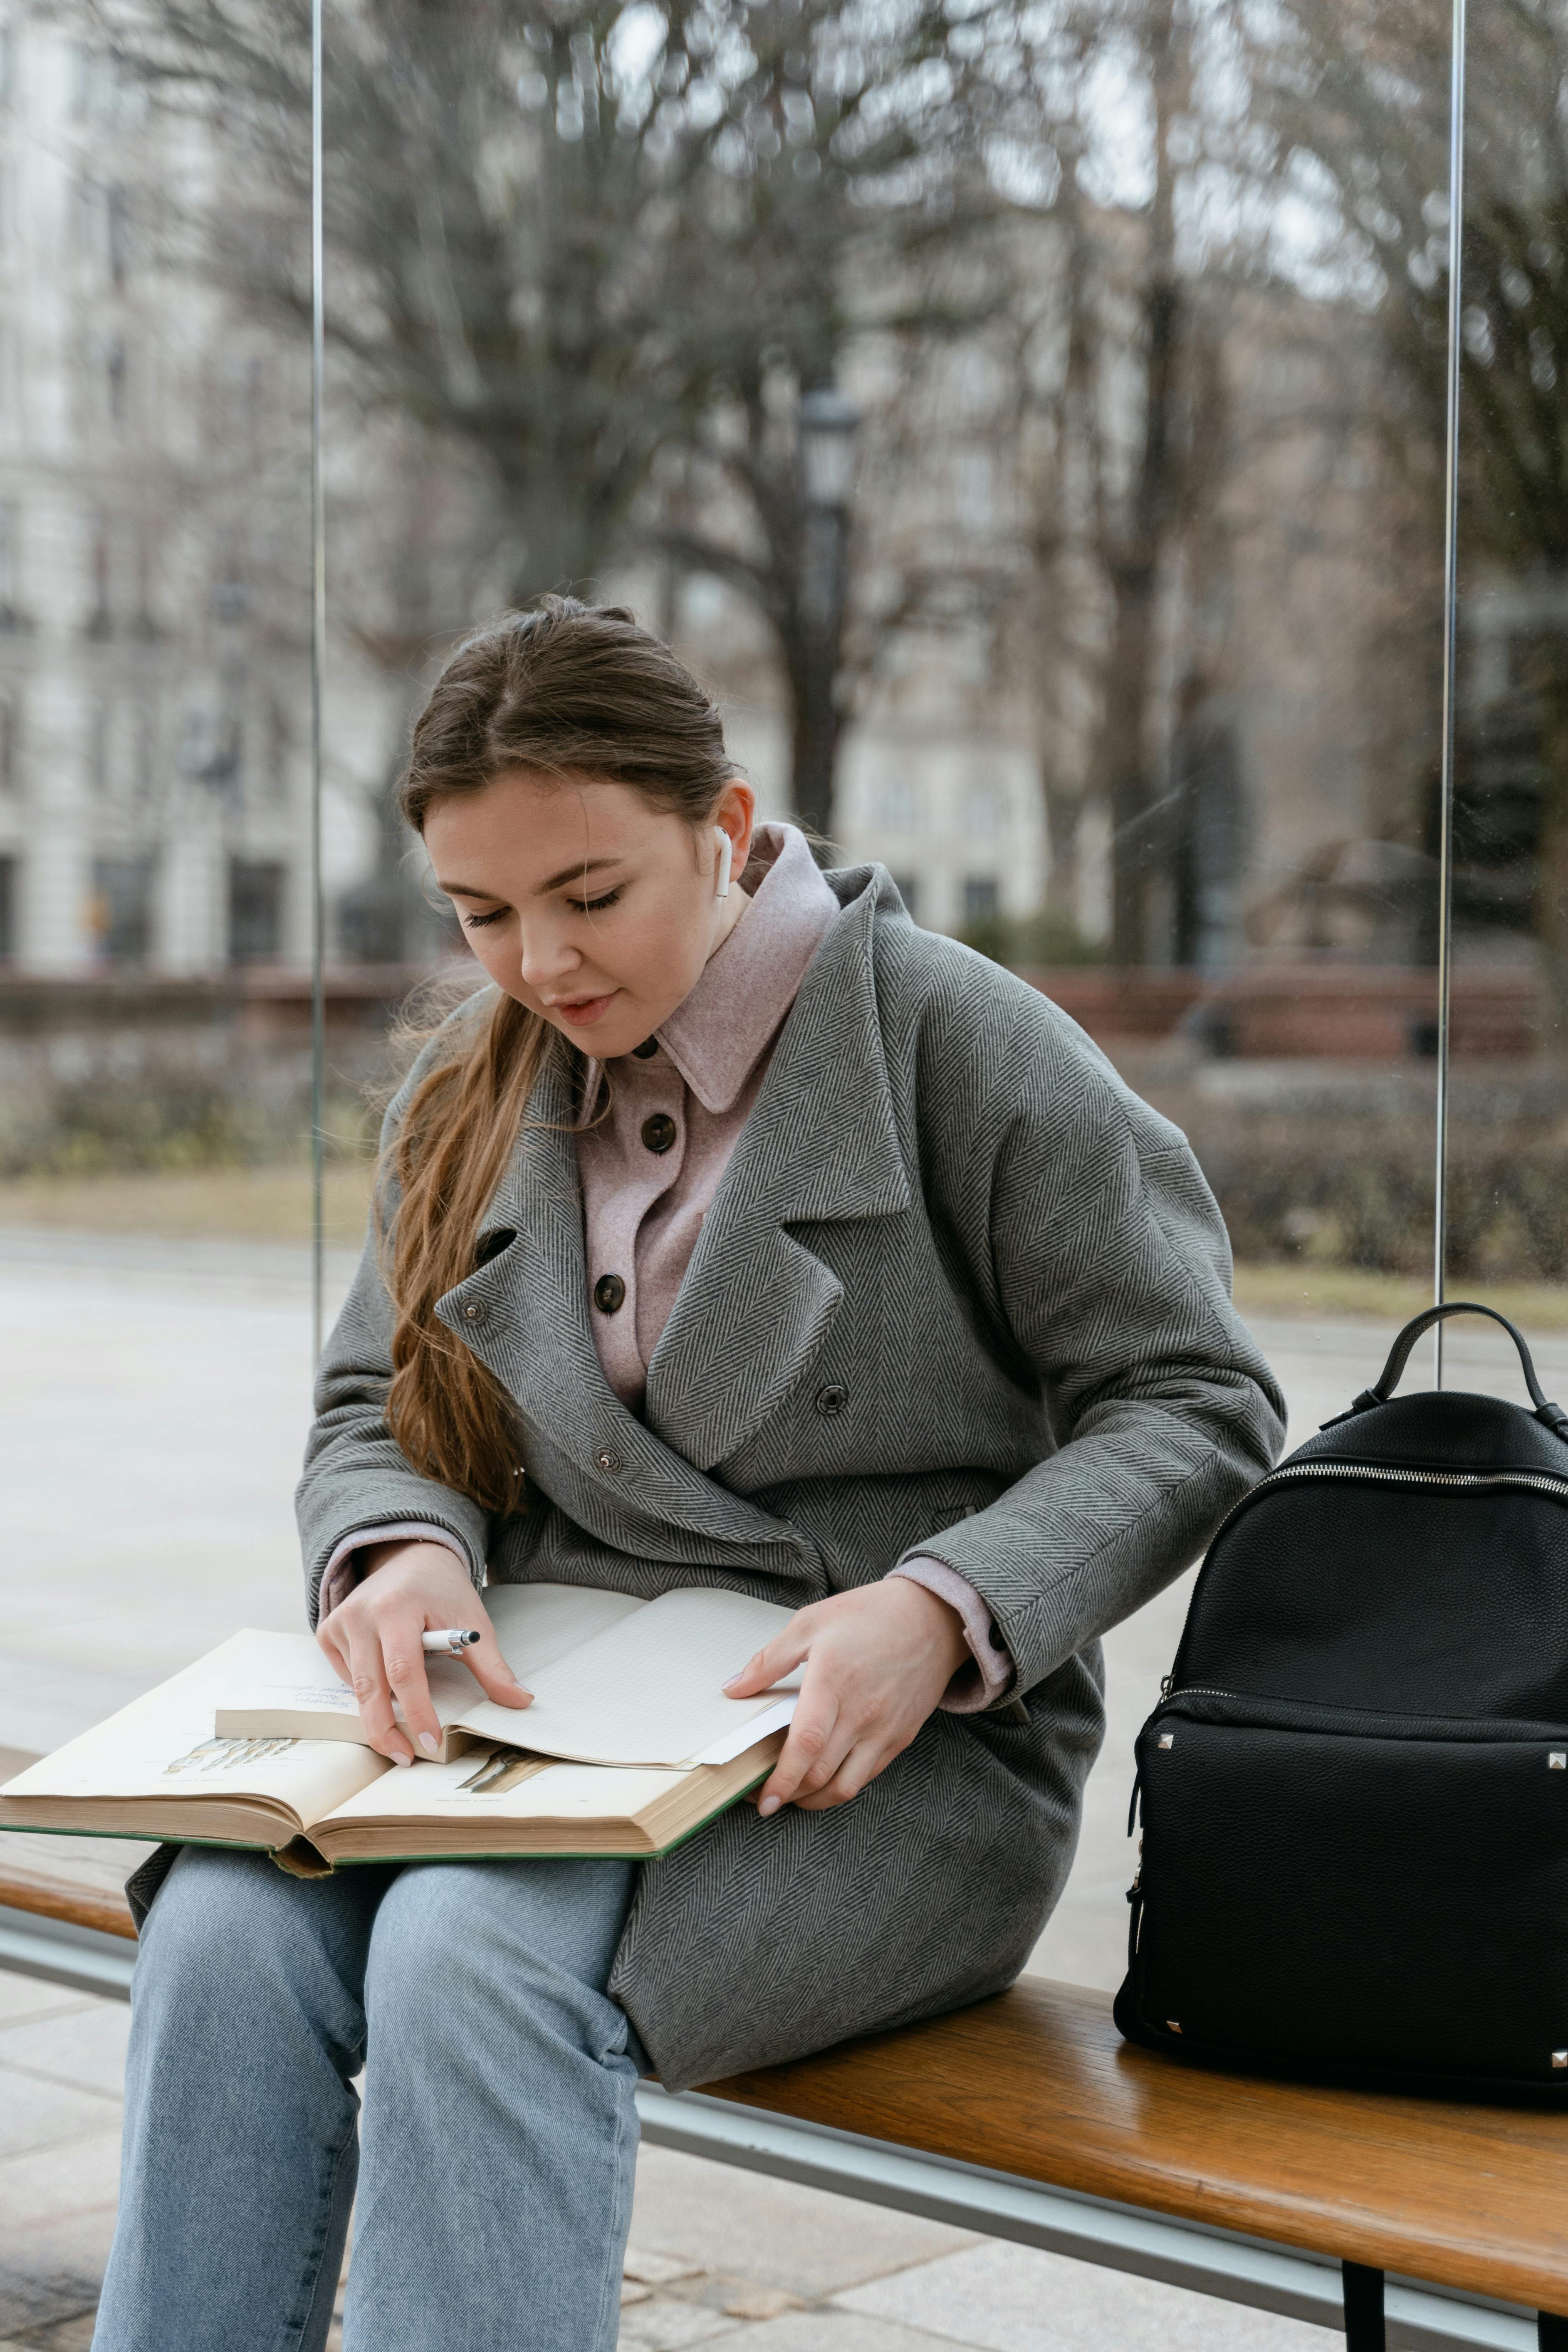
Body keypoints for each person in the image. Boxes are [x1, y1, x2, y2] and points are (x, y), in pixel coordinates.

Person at [94, 599, 1285, 2352]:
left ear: (723, 831)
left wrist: (940, 1609)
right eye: (482, 914)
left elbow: (1197, 1397)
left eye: (589, 896)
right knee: (217, 1926)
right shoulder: (472, 1081)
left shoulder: (956, 1043)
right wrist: (402, 1548)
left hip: (880, 1757)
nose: (539, 964)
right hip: (535, 1720)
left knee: (466, 1962)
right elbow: (371, 1399)